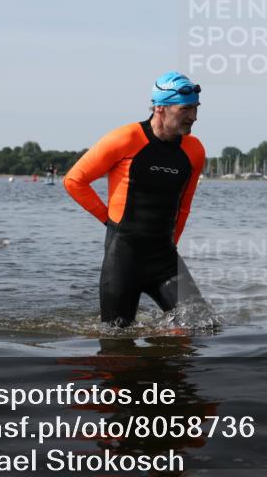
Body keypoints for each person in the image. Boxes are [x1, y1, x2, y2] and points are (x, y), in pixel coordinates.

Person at [64, 71, 206, 327]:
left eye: (196, 108)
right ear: (160, 107)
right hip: (124, 259)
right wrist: (108, 220)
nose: (193, 116)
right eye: (186, 109)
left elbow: (184, 207)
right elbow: (74, 181)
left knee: (202, 326)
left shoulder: (194, 150)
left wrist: (170, 244)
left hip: (165, 258)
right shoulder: (126, 138)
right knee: (117, 341)